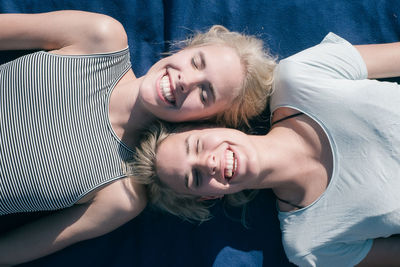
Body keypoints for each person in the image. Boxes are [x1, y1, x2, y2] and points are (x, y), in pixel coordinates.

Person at [0, 10, 276, 265]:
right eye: (196, 61)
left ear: (207, 122)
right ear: (185, 48)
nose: (186, 81)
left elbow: (12, 251)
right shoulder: (99, 36)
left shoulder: (122, 194)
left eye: (205, 94)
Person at [129, 33, 400, 266]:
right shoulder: (309, 245)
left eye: (197, 145)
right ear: (208, 196)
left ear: (211, 124)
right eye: (195, 177)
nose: (208, 163)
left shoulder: (299, 76)